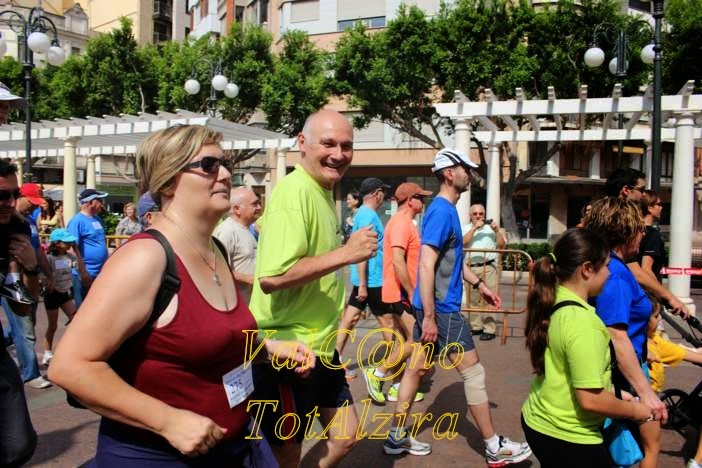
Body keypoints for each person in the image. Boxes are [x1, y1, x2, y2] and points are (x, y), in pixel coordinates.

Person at [49, 124, 313, 466]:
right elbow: (69, 367)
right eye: (209, 165)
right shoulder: (146, 257)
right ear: (168, 181)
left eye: (226, 164)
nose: (224, 175)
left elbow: (211, 340)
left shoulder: (215, 249)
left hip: (233, 448)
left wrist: (269, 350)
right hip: (158, 458)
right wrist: (167, 420)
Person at [383, 148, 531, 467]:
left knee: (416, 369)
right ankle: (493, 446)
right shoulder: (441, 211)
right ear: (450, 173)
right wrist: (431, 317)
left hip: (434, 308)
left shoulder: (446, 210)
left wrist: (480, 286)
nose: (470, 174)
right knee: (474, 373)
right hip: (442, 310)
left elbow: (453, 260)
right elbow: (426, 264)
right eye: (465, 168)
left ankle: (396, 436)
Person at [249, 110, 377, 468]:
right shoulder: (295, 192)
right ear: (302, 144)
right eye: (328, 144)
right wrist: (347, 253)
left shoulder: (320, 191)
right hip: (288, 349)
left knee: (346, 435)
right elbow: (273, 277)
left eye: (346, 146)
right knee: (285, 453)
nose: (338, 154)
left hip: (321, 346)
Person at [522, 228, 652, 467]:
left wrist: (615, 393)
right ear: (587, 269)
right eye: (606, 266)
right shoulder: (584, 324)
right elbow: (590, 400)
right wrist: (636, 411)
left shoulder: (557, 297)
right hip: (567, 434)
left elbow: (567, 371)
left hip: (540, 419)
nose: (609, 272)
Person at [585, 197, 666, 468]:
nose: (643, 234)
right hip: (622, 373)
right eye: (640, 229)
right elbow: (615, 335)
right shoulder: (616, 275)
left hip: (626, 367)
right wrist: (646, 393)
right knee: (632, 449)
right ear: (626, 232)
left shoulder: (611, 266)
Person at [368, 182, 432, 404]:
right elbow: (397, 261)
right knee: (416, 340)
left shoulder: (405, 222)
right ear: (410, 200)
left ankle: (397, 387)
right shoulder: (401, 223)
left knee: (403, 341)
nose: (423, 201)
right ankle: (377, 373)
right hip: (401, 293)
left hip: (400, 292)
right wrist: (412, 292)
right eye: (420, 197)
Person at [337, 177, 395, 402]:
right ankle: (390, 374)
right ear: (376, 193)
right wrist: (362, 284)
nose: (384, 197)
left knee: (349, 320)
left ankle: (335, 361)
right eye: (383, 193)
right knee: (388, 326)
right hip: (371, 282)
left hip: (369, 280)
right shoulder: (367, 215)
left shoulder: (364, 214)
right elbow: (363, 251)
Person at [605, 168, 689, 318]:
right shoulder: (616, 219)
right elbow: (637, 270)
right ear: (626, 190)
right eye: (641, 189)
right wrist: (669, 297)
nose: (644, 195)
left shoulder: (603, 212)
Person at [0, 157, 39, 466]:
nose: (11, 203)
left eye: (14, 194)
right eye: (2, 195)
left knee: (19, 443)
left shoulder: (14, 227)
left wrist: (29, 266)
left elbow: (21, 306)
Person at [462, 203, 506, 341]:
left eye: (481, 214)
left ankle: (489, 329)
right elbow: (463, 243)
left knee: (490, 298)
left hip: (489, 266)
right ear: (470, 216)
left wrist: (497, 231)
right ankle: (476, 326)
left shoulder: (491, 228)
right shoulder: (465, 228)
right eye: (475, 214)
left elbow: (501, 246)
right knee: (473, 298)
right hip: (471, 267)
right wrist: (474, 228)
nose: (478, 216)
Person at [41, 228, 85, 366]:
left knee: (75, 320)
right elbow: (42, 275)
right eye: (67, 242)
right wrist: (47, 283)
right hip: (52, 295)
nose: (70, 244)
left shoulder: (69, 257)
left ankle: (71, 349)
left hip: (64, 294)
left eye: (71, 242)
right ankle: (47, 352)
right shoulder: (50, 258)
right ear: (57, 243)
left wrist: (77, 251)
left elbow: (80, 268)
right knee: (53, 326)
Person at [213, 186, 262, 304]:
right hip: (236, 304)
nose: (259, 207)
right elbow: (217, 270)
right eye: (254, 204)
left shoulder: (247, 230)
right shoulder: (227, 231)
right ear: (237, 209)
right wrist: (251, 279)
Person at [646, 297, 702, 393]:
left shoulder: (654, 339)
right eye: (656, 316)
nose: (660, 318)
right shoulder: (654, 343)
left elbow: (681, 353)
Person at [66, 188, 109, 303]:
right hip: (85, 275)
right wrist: (83, 272)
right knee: (83, 308)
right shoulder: (77, 221)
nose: (102, 204)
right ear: (90, 202)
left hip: (99, 273)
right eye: (99, 201)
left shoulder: (97, 219)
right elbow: (72, 249)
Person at [638, 190, 665, 283]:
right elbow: (646, 269)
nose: (661, 207)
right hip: (645, 287)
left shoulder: (633, 230)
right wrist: (659, 290)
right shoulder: (653, 234)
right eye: (659, 204)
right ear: (650, 208)